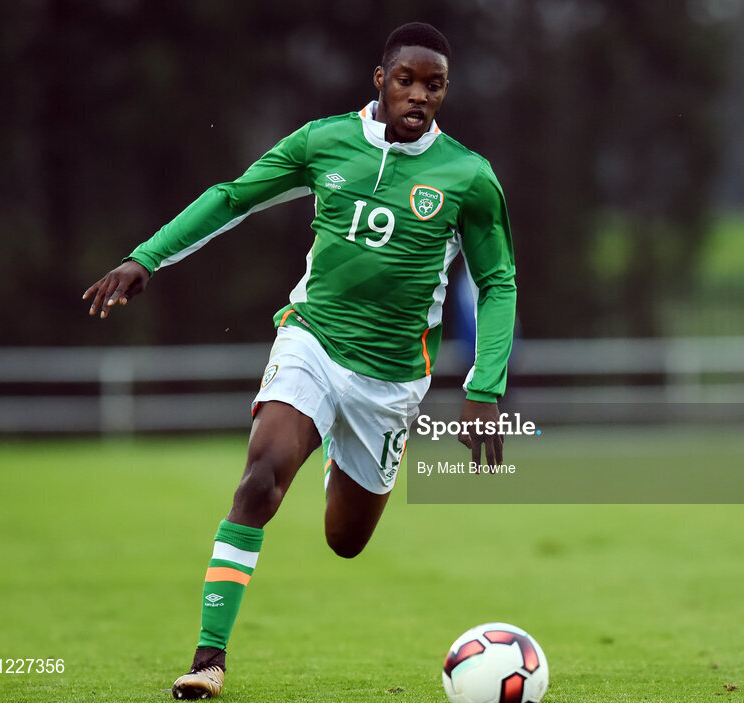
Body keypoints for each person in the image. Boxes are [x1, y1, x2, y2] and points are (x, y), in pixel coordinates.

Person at [82, 22, 516, 700]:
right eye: (407, 79)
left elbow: (499, 283)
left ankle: (341, 453)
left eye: (435, 86)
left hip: (391, 380)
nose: (420, 96)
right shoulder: (322, 142)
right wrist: (147, 257)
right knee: (260, 477)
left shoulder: (468, 177)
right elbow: (233, 197)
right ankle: (209, 656)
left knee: (345, 540)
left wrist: (484, 386)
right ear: (381, 79)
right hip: (311, 341)